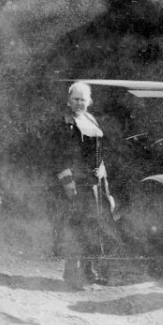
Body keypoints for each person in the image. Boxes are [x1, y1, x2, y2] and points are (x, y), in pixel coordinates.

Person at [51, 82, 116, 289]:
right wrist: (68, 183)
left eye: (83, 99)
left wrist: (102, 171)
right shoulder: (65, 122)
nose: (79, 103)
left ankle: (89, 271)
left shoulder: (91, 119)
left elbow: (99, 153)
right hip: (77, 183)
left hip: (95, 183)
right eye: (76, 99)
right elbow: (59, 155)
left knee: (94, 227)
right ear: (69, 101)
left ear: (89, 101)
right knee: (77, 228)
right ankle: (71, 275)